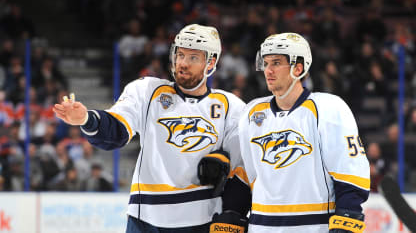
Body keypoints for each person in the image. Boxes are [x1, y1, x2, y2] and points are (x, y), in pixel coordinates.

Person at [53, 24, 251, 232]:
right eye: (180, 54)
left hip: (201, 220)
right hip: (146, 219)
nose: (182, 63)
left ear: (210, 63)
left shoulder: (232, 108)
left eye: (193, 58)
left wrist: (233, 212)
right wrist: (87, 119)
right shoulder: (146, 91)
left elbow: (243, 171)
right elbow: (116, 131)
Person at [238, 33, 370, 232]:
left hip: (313, 227)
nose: (268, 70)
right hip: (261, 226)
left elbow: (350, 175)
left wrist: (347, 219)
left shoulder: (328, 108)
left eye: (276, 62)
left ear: (298, 68)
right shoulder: (252, 112)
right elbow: (248, 176)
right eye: (265, 63)